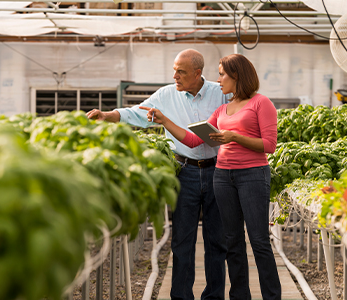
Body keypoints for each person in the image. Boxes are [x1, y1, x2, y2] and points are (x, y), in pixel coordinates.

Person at [87, 49, 229, 300]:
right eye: (174, 69)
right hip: (184, 172)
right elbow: (137, 113)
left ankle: (214, 296)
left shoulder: (221, 94)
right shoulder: (165, 95)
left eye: (181, 71)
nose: (175, 75)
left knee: (216, 241)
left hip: (217, 171)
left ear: (198, 73)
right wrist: (108, 115)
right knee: (182, 241)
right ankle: (181, 296)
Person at [140, 53, 281, 300]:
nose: (219, 79)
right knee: (232, 243)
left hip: (252, 176)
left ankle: (271, 296)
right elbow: (194, 140)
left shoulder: (261, 103)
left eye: (222, 74)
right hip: (223, 177)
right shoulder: (223, 109)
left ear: (237, 76)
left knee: (259, 241)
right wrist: (164, 121)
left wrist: (234, 137)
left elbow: (269, 145)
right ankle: (239, 296)